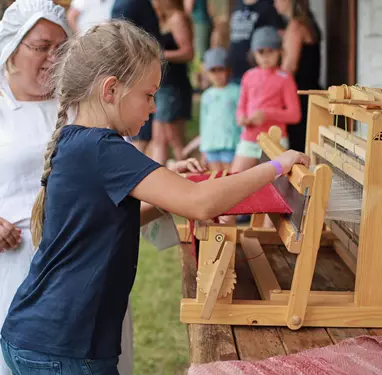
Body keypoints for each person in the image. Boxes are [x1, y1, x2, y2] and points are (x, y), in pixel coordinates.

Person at [0, 19, 309, 374]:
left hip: (42, 335)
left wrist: (167, 191)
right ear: (111, 89)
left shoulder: (78, 140)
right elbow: (201, 202)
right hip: (64, 348)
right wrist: (276, 165)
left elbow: (109, 219)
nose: (152, 107)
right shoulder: (105, 149)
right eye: (148, 95)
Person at [0, 1, 70, 374]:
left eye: (61, 47)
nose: (53, 58)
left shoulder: (79, 104)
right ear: (12, 46)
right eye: (42, 47)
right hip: (10, 270)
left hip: (77, 271)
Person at [231, 25, 301, 174]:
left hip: (276, 140)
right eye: (261, 52)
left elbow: (295, 115)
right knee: (236, 176)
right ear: (253, 53)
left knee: (277, 185)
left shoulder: (285, 78)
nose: (266, 56)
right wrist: (241, 117)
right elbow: (241, 105)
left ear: (280, 52)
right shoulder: (248, 76)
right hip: (249, 138)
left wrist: (267, 114)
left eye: (271, 51)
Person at [110, 0, 162, 154]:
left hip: (140, 76)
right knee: (140, 138)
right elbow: (119, 39)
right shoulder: (130, 3)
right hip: (135, 77)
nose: (154, 107)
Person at [149, 0, 194, 166]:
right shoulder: (161, 19)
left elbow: (188, 52)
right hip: (161, 85)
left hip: (174, 85)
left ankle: (189, 175)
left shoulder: (177, 18)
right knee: (159, 138)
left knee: (175, 139)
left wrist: (159, 55)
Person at [274, 0, 321, 152]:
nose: (275, 2)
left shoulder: (295, 26)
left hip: (299, 95)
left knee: (298, 148)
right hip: (310, 92)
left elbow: (289, 67)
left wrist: (274, 91)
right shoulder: (303, 23)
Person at [199, 47, 241, 171]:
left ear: (228, 70)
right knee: (215, 178)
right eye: (213, 71)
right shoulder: (206, 95)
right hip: (211, 145)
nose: (217, 74)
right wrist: (203, 149)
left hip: (231, 144)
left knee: (230, 178)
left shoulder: (237, 91)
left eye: (220, 70)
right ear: (207, 73)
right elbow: (204, 124)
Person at [227, 0, 284, 84]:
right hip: (234, 69)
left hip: (258, 72)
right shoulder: (238, 3)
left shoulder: (268, 5)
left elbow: (279, 35)